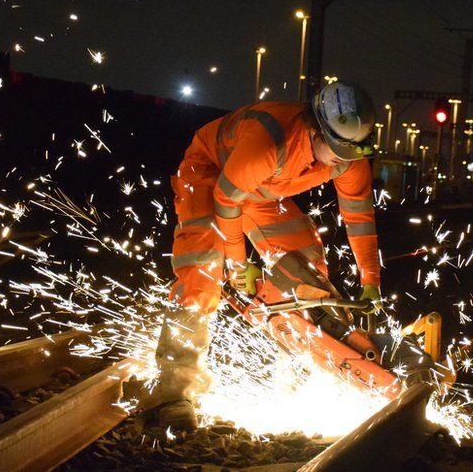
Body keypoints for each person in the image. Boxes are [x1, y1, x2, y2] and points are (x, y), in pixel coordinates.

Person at [154, 81, 383, 431]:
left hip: (258, 190)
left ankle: (303, 377)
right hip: (209, 175)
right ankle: (173, 394)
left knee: (305, 273)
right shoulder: (269, 141)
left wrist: (371, 280)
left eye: (353, 153)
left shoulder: (349, 156)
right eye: (338, 152)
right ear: (315, 129)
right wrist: (236, 263)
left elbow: (360, 218)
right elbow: (226, 201)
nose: (345, 162)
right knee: (200, 274)